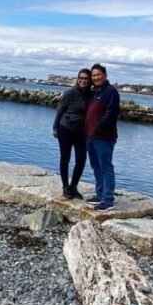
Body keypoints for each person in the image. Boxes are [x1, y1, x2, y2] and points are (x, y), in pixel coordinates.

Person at [84, 63, 120, 211]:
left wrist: (98, 128)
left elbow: (111, 113)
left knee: (106, 167)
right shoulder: (94, 92)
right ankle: (100, 194)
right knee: (96, 167)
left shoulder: (111, 92)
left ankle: (108, 199)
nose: (96, 77)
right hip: (90, 136)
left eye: (98, 75)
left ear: (105, 75)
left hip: (104, 137)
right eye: (94, 75)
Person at [52, 68, 92, 198]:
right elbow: (59, 110)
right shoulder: (70, 93)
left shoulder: (91, 95)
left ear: (89, 80)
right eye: (81, 78)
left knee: (81, 160)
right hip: (65, 129)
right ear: (77, 78)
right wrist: (55, 127)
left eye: (86, 78)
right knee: (65, 158)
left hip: (82, 132)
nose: (83, 80)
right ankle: (65, 187)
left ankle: (73, 186)